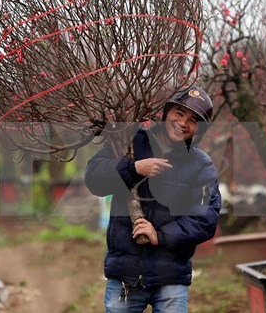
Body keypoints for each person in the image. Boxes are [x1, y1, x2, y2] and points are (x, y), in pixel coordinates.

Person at [85, 86, 221, 313]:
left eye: (194, 120)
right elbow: (94, 179)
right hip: (125, 276)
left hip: (171, 278)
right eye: (179, 113)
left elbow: (206, 219)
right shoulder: (129, 141)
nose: (183, 123)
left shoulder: (201, 165)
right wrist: (134, 167)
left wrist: (160, 236)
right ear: (166, 112)